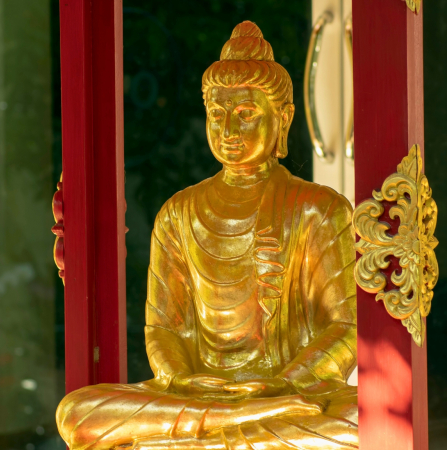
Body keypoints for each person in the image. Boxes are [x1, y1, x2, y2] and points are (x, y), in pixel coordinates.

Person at [57, 21, 358, 449]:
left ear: (283, 118)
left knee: (364, 420)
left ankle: (213, 431)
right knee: (77, 412)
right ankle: (233, 422)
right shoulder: (178, 213)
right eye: (217, 115)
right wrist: (180, 378)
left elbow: (347, 327)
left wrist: (283, 385)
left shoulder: (319, 209)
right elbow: (163, 328)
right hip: (197, 396)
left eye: (246, 114)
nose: (229, 131)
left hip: (290, 396)